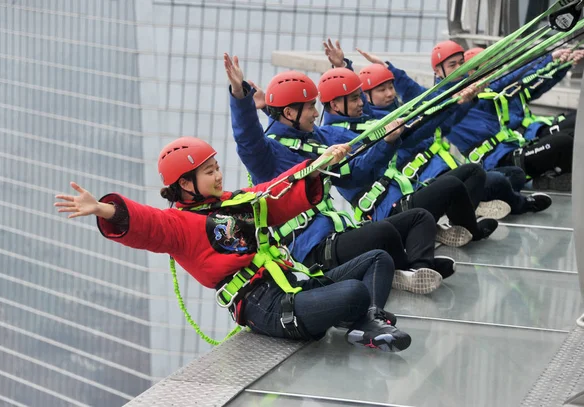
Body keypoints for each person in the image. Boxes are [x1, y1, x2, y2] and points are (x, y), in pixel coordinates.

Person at [54, 136, 412, 352]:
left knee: (378, 258)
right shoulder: (180, 225)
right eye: (208, 171)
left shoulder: (233, 203)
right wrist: (106, 209)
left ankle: (367, 322)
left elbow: (274, 193)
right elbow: (147, 223)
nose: (218, 175)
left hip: (292, 283)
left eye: (216, 167)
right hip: (267, 305)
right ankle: (364, 321)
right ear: (185, 184)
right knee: (353, 292)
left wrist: (315, 167)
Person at [226, 53, 455, 296]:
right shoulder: (267, 156)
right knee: (383, 232)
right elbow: (247, 139)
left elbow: (357, 174)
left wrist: (387, 142)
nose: (316, 113)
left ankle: (418, 270)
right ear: (290, 114)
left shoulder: (318, 141)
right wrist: (241, 97)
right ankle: (407, 267)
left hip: (339, 234)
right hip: (314, 249)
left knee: (418, 218)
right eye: (310, 106)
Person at [312, 60, 498, 244]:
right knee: (460, 183)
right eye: (355, 99)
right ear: (335, 105)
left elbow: (420, 125)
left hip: (407, 195)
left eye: (360, 97)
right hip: (389, 211)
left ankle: (457, 227)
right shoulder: (334, 138)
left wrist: (454, 102)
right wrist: (387, 141)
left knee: (473, 172)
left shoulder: (363, 123)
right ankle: (469, 231)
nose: (361, 103)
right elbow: (361, 170)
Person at [354, 60, 552, 216]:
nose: (389, 93)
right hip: (428, 180)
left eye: (391, 87)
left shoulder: (404, 111)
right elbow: (423, 105)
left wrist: (463, 102)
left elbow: (444, 121)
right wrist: (344, 66)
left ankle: (483, 204)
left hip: (449, 169)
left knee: (512, 175)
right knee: (498, 180)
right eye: (382, 90)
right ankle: (495, 206)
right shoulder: (380, 126)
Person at [429, 40, 574, 191]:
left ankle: (551, 179)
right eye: (453, 65)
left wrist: (550, 60)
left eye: (462, 63)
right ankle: (538, 182)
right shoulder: (440, 103)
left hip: (515, 146)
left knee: (569, 136)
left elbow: (512, 79)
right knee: (564, 141)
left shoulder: (477, 91)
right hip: (498, 160)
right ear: (438, 71)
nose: (460, 69)